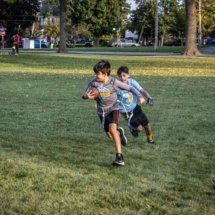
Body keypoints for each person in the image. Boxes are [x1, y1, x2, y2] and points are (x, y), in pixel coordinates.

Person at [82, 60, 144, 166]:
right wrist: (87, 97)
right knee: (110, 134)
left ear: (105, 73)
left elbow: (130, 88)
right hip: (102, 111)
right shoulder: (93, 82)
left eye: (98, 74)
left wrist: (140, 96)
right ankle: (119, 133)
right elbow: (84, 95)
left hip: (113, 108)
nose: (96, 76)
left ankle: (119, 157)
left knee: (112, 129)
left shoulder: (113, 82)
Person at [116, 66, 155, 144]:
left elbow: (142, 90)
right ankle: (133, 129)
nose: (122, 78)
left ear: (128, 75)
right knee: (140, 128)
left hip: (135, 107)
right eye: (120, 76)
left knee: (147, 124)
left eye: (124, 75)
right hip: (126, 112)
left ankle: (150, 139)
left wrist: (149, 98)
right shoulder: (117, 86)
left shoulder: (132, 82)